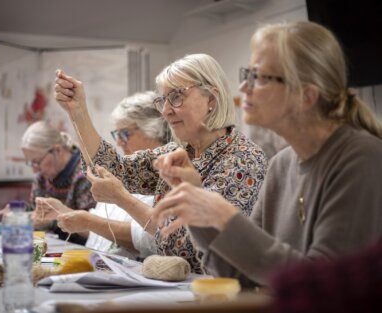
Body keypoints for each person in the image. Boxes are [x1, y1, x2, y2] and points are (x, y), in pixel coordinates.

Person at [152, 21, 382, 286]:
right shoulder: (281, 165)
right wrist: (197, 206)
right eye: (247, 74)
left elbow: (324, 287)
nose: (244, 88)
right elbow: (239, 275)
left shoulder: (362, 159)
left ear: (306, 96)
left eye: (259, 78)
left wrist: (226, 217)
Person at [54, 54, 267, 273]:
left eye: (176, 96)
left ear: (211, 98)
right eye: (163, 99)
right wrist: (77, 111)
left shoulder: (242, 159)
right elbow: (109, 168)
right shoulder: (179, 152)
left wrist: (121, 198)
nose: (165, 110)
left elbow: (187, 247)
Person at [56, 91, 169, 258]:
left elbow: (151, 238)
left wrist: (89, 221)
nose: (118, 142)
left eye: (124, 134)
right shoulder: (124, 172)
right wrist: (62, 212)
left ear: (153, 129)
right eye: (116, 134)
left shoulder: (168, 172)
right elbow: (99, 231)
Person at [0, 121, 96, 244]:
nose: (34, 169)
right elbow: (38, 211)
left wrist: (52, 222)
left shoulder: (85, 174)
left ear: (57, 150)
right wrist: (21, 211)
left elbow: (93, 232)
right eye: (30, 163)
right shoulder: (42, 176)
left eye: (36, 162)